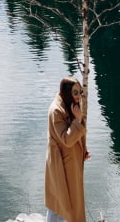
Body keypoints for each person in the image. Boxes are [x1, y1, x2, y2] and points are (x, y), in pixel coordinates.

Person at [44, 77, 90, 222]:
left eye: (80, 92)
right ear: (66, 92)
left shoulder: (70, 105)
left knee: (71, 201)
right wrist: (77, 119)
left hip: (70, 162)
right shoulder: (56, 111)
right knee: (59, 202)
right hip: (60, 164)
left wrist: (83, 149)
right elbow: (66, 138)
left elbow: (77, 133)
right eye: (75, 92)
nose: (78, 96)